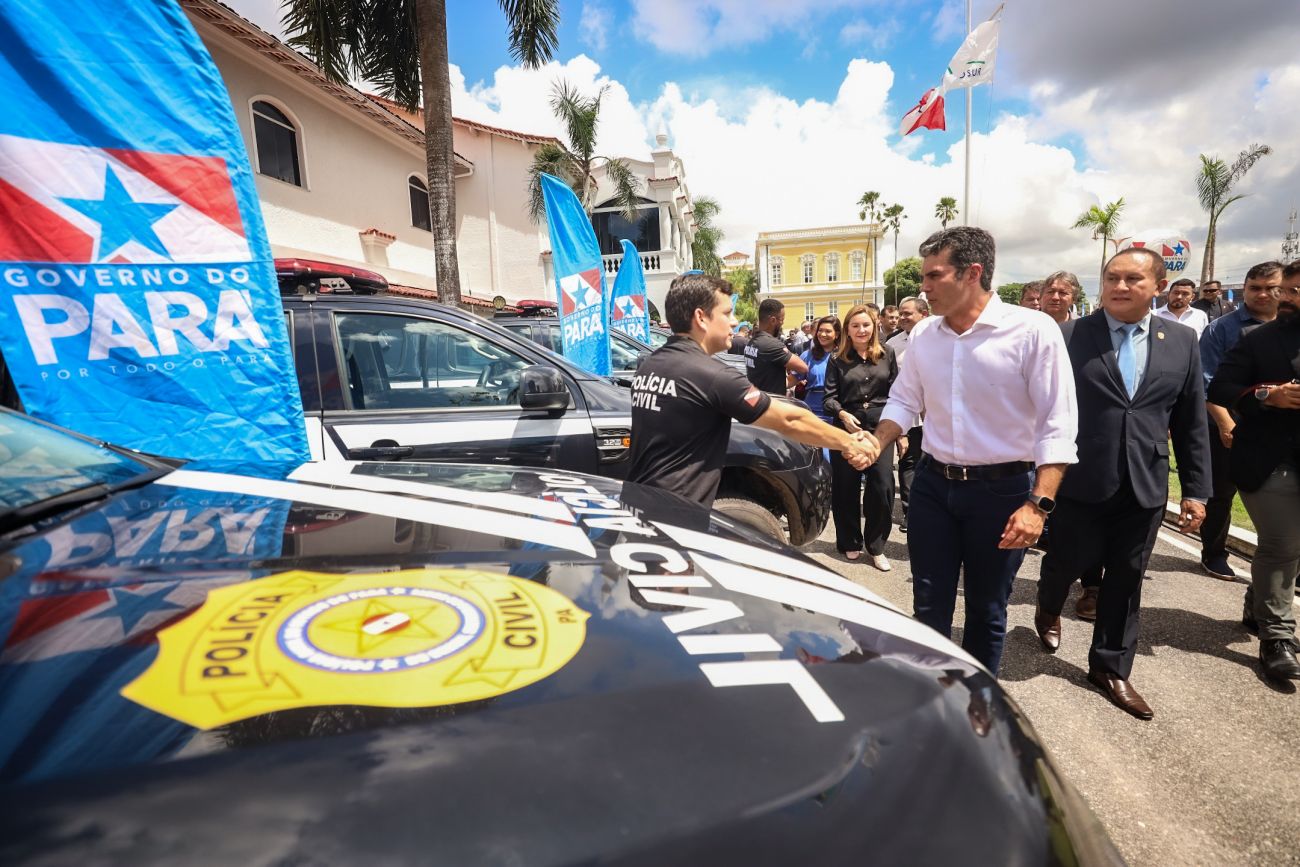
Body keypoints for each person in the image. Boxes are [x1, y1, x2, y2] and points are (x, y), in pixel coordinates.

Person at [872, 227, 1078, 674]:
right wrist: (877, 441)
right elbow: (904, 400)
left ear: (973, 273)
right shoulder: (924, 335)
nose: (924, 288)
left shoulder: (1032, 330)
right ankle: (932, 691)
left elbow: (1058, 424)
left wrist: (1038, 506)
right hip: (933, 487)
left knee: (986, 607)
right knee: (929, 601)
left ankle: (978, 700)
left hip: (1003, 493)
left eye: (934, 276)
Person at [1035, 247, 1210, 720]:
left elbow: (1191, 420)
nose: (1120, 286)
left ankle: (1110, 667)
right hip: (1080, 478)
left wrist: (1196, 491)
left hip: (1145, 482)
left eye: (1133, 279)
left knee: (1127, 578)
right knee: (1065, 562)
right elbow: (1042, 409)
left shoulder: (1181, 341)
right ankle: (1048, 607)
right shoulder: (1070, 336)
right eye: (1112, 277)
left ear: (1159, 287)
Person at [628, 274, 876, 508]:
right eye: (727, 313)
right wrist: (849, 442)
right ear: (701, 317)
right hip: (675, 515)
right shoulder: (710, 375)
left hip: (639, 504)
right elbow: (790, 420)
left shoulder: (650, 364)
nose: (735, 321)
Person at [1207, 260, 1300, 682]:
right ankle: (1277, 636)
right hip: (1268, 460)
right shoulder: (1258, 339)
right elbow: (1220, 387)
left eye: (1294, 291)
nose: (1287, 298)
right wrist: (1266, 396)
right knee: (1281, 545)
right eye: (1288, 290)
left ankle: (1258, 601)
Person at [1198, 262, 1282, 580]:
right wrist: (1225, 423)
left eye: (1271, 288)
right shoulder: (1220, 329)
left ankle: (1286, 560)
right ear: (1244, 290)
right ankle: (1214, 553)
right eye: (1254, 288)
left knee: (1285, 495)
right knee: (1222, 493)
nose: (1262, 294)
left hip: (1283, 430)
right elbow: (1205, 382)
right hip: (1229, 425)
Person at [824, 305, 899, 571]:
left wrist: (901, 432)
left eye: (866, 325)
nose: (861, 330)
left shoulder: (887, 354)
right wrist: (842, 414)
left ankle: (876, 545)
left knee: (882, 484)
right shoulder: (836, 359)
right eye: (855, 325)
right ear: (847, 329)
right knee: (846, 486)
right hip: (847, 428)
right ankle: (849, 541)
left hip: (881, 428)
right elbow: (829, 398)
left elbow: (898, 394)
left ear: (875, 326)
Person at [885, 296, 929, 531]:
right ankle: (910, 512)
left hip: (935, 416)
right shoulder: (893, 344)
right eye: (900, 314)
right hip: (908, 417)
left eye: (907, 313)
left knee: (932, 463)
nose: (902, 318)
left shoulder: (940, 339)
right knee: (909, 463)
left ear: (924, 314)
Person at [746, 299, 808, 394]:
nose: (782, 323)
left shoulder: (751, 342)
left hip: (755, 396)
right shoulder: (771, 344)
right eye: (782, 320)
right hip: (770, 400)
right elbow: (803, 368)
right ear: (773, 320)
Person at [794, 315, 840, 421]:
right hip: (813, 413)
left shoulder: (845, 355)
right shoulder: (807, 355)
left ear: (837, 334)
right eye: (820, 330)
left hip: (838, 412)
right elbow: (791, 380)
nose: (823, 334)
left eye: (828, 331)